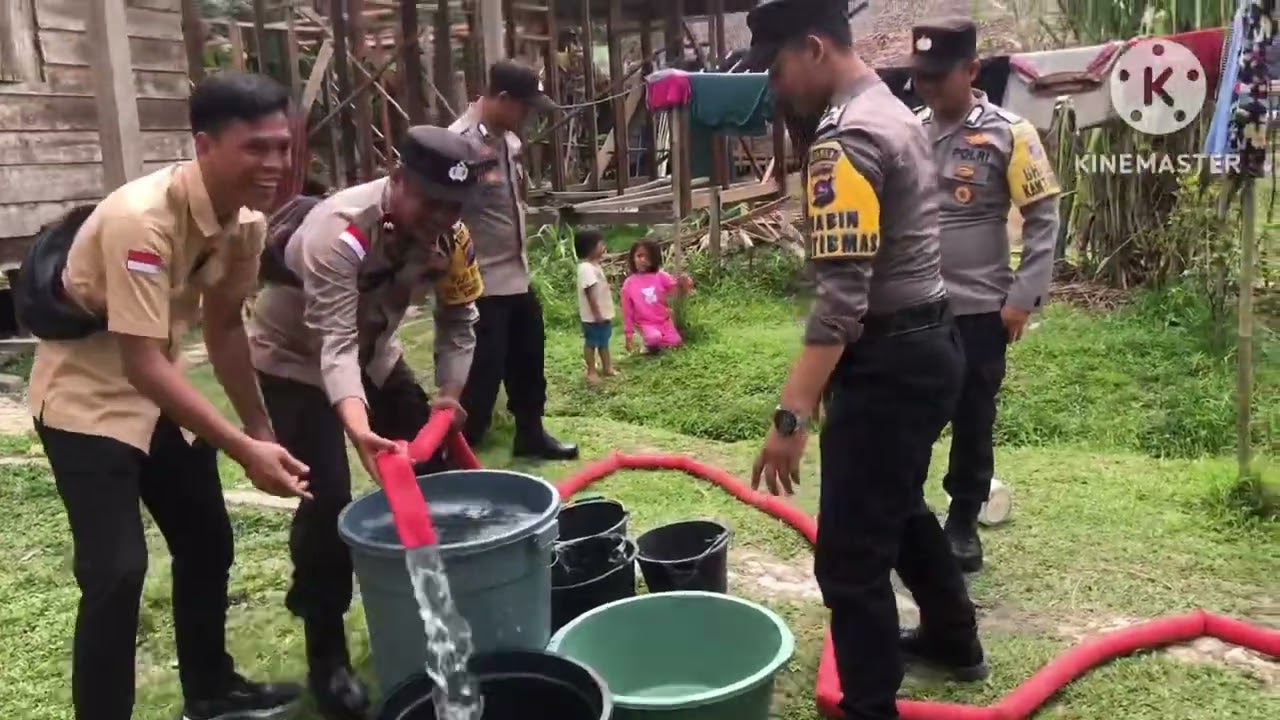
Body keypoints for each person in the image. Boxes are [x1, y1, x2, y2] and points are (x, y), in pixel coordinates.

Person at [27, 71, 310, 720]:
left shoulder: (245, 226)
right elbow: (141, 361)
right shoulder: (140, 220)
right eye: (255, 148)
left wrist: (261, 430)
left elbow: (223, 329)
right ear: (203, 144)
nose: (274, 163)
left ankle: (210, 692)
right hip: (86, 405)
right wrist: (241, 449)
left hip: (160, 402)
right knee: (116, 572)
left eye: (281, 146)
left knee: (208, 542)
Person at [741, 2, 988, 719]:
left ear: (814, 49)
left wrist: (791, 415)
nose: (775, 86)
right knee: (898, 504)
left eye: (777, 67)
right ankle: (953, 639)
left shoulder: (843, 139)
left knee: (848, 561)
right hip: (931, 345)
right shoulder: (894, 109)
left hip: (889, 362)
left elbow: (841, 305)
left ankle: (869, 706)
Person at [248, 125, 496, 719]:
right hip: (294, 360)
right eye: (432, 200)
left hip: (375, 353)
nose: (443, 215)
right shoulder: (339, 233)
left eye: (454, 205)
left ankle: (441, 606)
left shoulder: (452, 236)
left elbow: (459, 321)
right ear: (399, 180)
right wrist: (358, 431)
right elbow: (332, 346)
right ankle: (326, 655)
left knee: (431, 465)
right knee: (327, 493)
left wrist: (448, 398)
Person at [911, 18, 1061, 573]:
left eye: (938, 76)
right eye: (920, 77)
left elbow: (1044, 220)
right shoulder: (908, 129)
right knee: (912, 413)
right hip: (917, 305)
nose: (926, 87)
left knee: (973, 416)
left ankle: (962, 521)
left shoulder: (1011, 132)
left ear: (972, 70)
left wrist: (1024, 297)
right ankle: (910, 512)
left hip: (981, 310)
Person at [450, 61, 578, 459]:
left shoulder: (509, 142)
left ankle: (530, 435)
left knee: (528, 358)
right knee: (482, 375)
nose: (528, 115)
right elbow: (445, 214)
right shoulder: (459, 143)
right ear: (502, 99)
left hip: (515, 274)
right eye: (524, 107)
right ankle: (461, 450)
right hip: (479, 280)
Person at [620, 239, 691, 354]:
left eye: (647, 256)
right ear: (633, 258)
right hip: (644, 323)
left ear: (654, 258)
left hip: (664, 321)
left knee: (676, 342)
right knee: (655, 338)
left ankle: (657, 343)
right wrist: (628, 335)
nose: (642, 260)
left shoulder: (661, 276)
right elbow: (627, 311)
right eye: (639, 256)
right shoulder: (629, 284)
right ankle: (646, 340)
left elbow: (676, 293)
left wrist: (684, 285)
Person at [574, 229, 618, 385]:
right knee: (592, 343)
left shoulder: (594, 266)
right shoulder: (586, 268)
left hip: (601, 315)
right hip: (593, 317)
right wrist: (597, 313)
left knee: (604, 342)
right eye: (601, 244)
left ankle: (608, 367)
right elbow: (590, 294)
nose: (603, 247)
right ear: (591, 248)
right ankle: (591, 371)